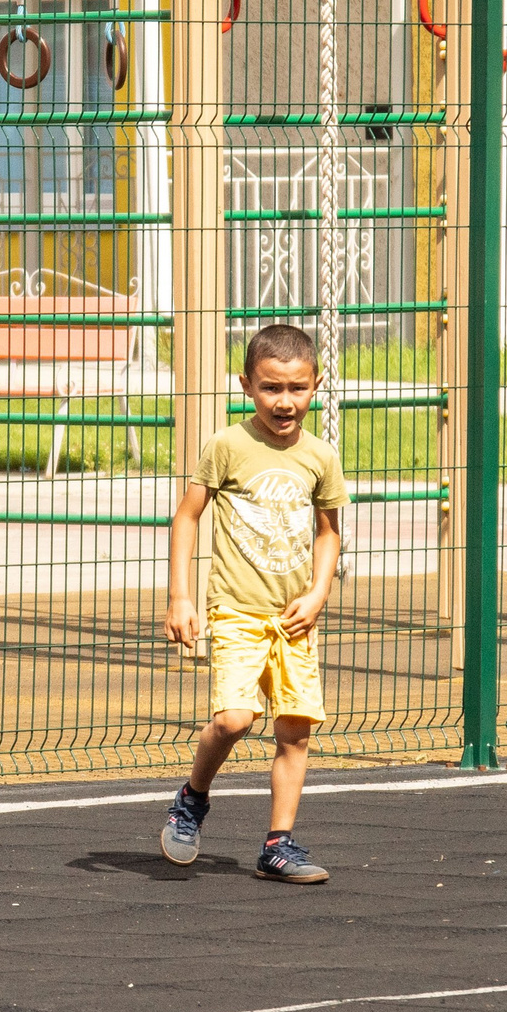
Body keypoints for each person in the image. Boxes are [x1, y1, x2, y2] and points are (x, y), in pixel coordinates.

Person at [158, 323, 347, 882]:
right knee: (235, 719)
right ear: (247, 385)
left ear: (316, 384)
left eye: (296, 388)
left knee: (295, 730)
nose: (284, 402)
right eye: (270, 388)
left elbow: (328, 532)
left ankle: (278, 844)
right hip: (236, 610)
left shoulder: (319, 455)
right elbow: (187, 516)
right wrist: (180, 597)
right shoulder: (228, 446)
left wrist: (318, 593)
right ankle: (193, 798)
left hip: (293, 617)